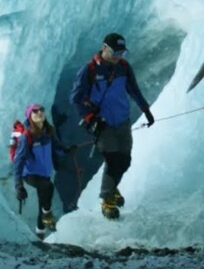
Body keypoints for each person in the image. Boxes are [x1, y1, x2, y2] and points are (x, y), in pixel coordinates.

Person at [69, 32, 154, 220]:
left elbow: (133, 89)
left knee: (125, 160)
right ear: (105, 48)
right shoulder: (89, 70)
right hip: (102, 123)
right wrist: (90, 118)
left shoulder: (123, 67)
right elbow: (75, 98)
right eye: (116, 52)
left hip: (123, 120)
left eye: (122, 53)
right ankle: (107, 200)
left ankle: (112, 188)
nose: (119, 56)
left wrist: (146, 110)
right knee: (113, 159)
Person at [13, 103, 69, 237]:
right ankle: (47, 214)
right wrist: (19, 186)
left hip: (44, 173)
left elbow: (56, 146)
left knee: (43, 200)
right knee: (47, 188)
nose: (39, 113)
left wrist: (66, 151)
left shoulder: (48, 132)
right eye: (35, 111)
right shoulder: (26, 137)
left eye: (41, 110)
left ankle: (40, 233)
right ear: (30, 116)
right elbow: (18, 161)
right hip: (30, 174)